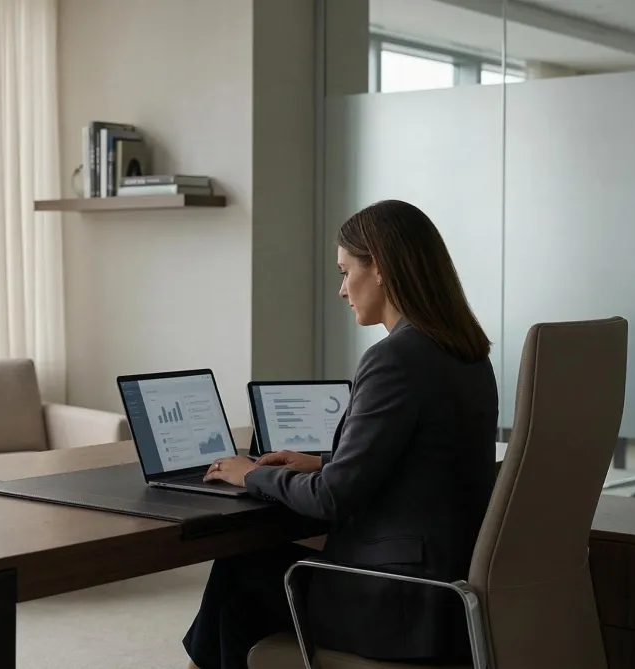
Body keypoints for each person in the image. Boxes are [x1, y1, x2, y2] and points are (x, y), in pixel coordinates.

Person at [185, 199, 499, 669]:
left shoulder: (396, 358)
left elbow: (332, 500)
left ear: (381, 269)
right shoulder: (468, 354)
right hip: (448, 595)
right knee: (247, 577)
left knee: (238, 574)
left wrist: (251, 474)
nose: (341, 289)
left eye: (345, 270)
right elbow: (425, 465)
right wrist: (323, 462)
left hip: (397, 603)